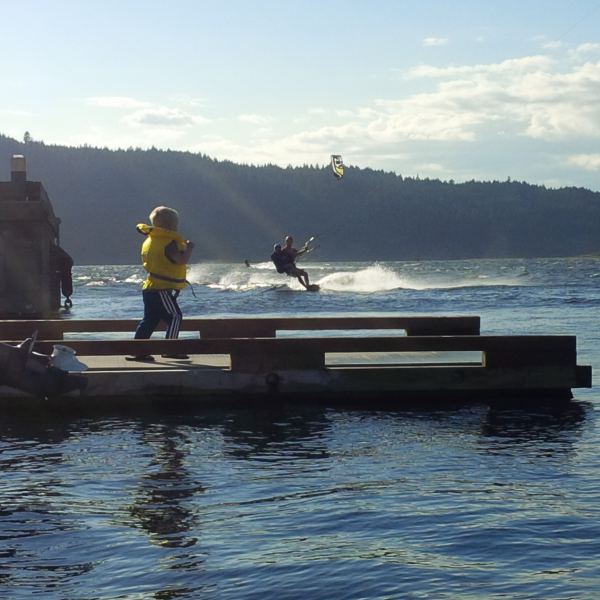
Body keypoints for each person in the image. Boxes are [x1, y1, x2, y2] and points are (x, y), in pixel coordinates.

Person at [126, 206, 194, 362]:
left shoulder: (151, 240)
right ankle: (170, 349)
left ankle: (137, 351)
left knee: (150, 320)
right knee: (175, 316)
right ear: (172, 226)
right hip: (161, 289)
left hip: (150, 288)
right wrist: (189, 248)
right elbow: (181, 260)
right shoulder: (168, 242)